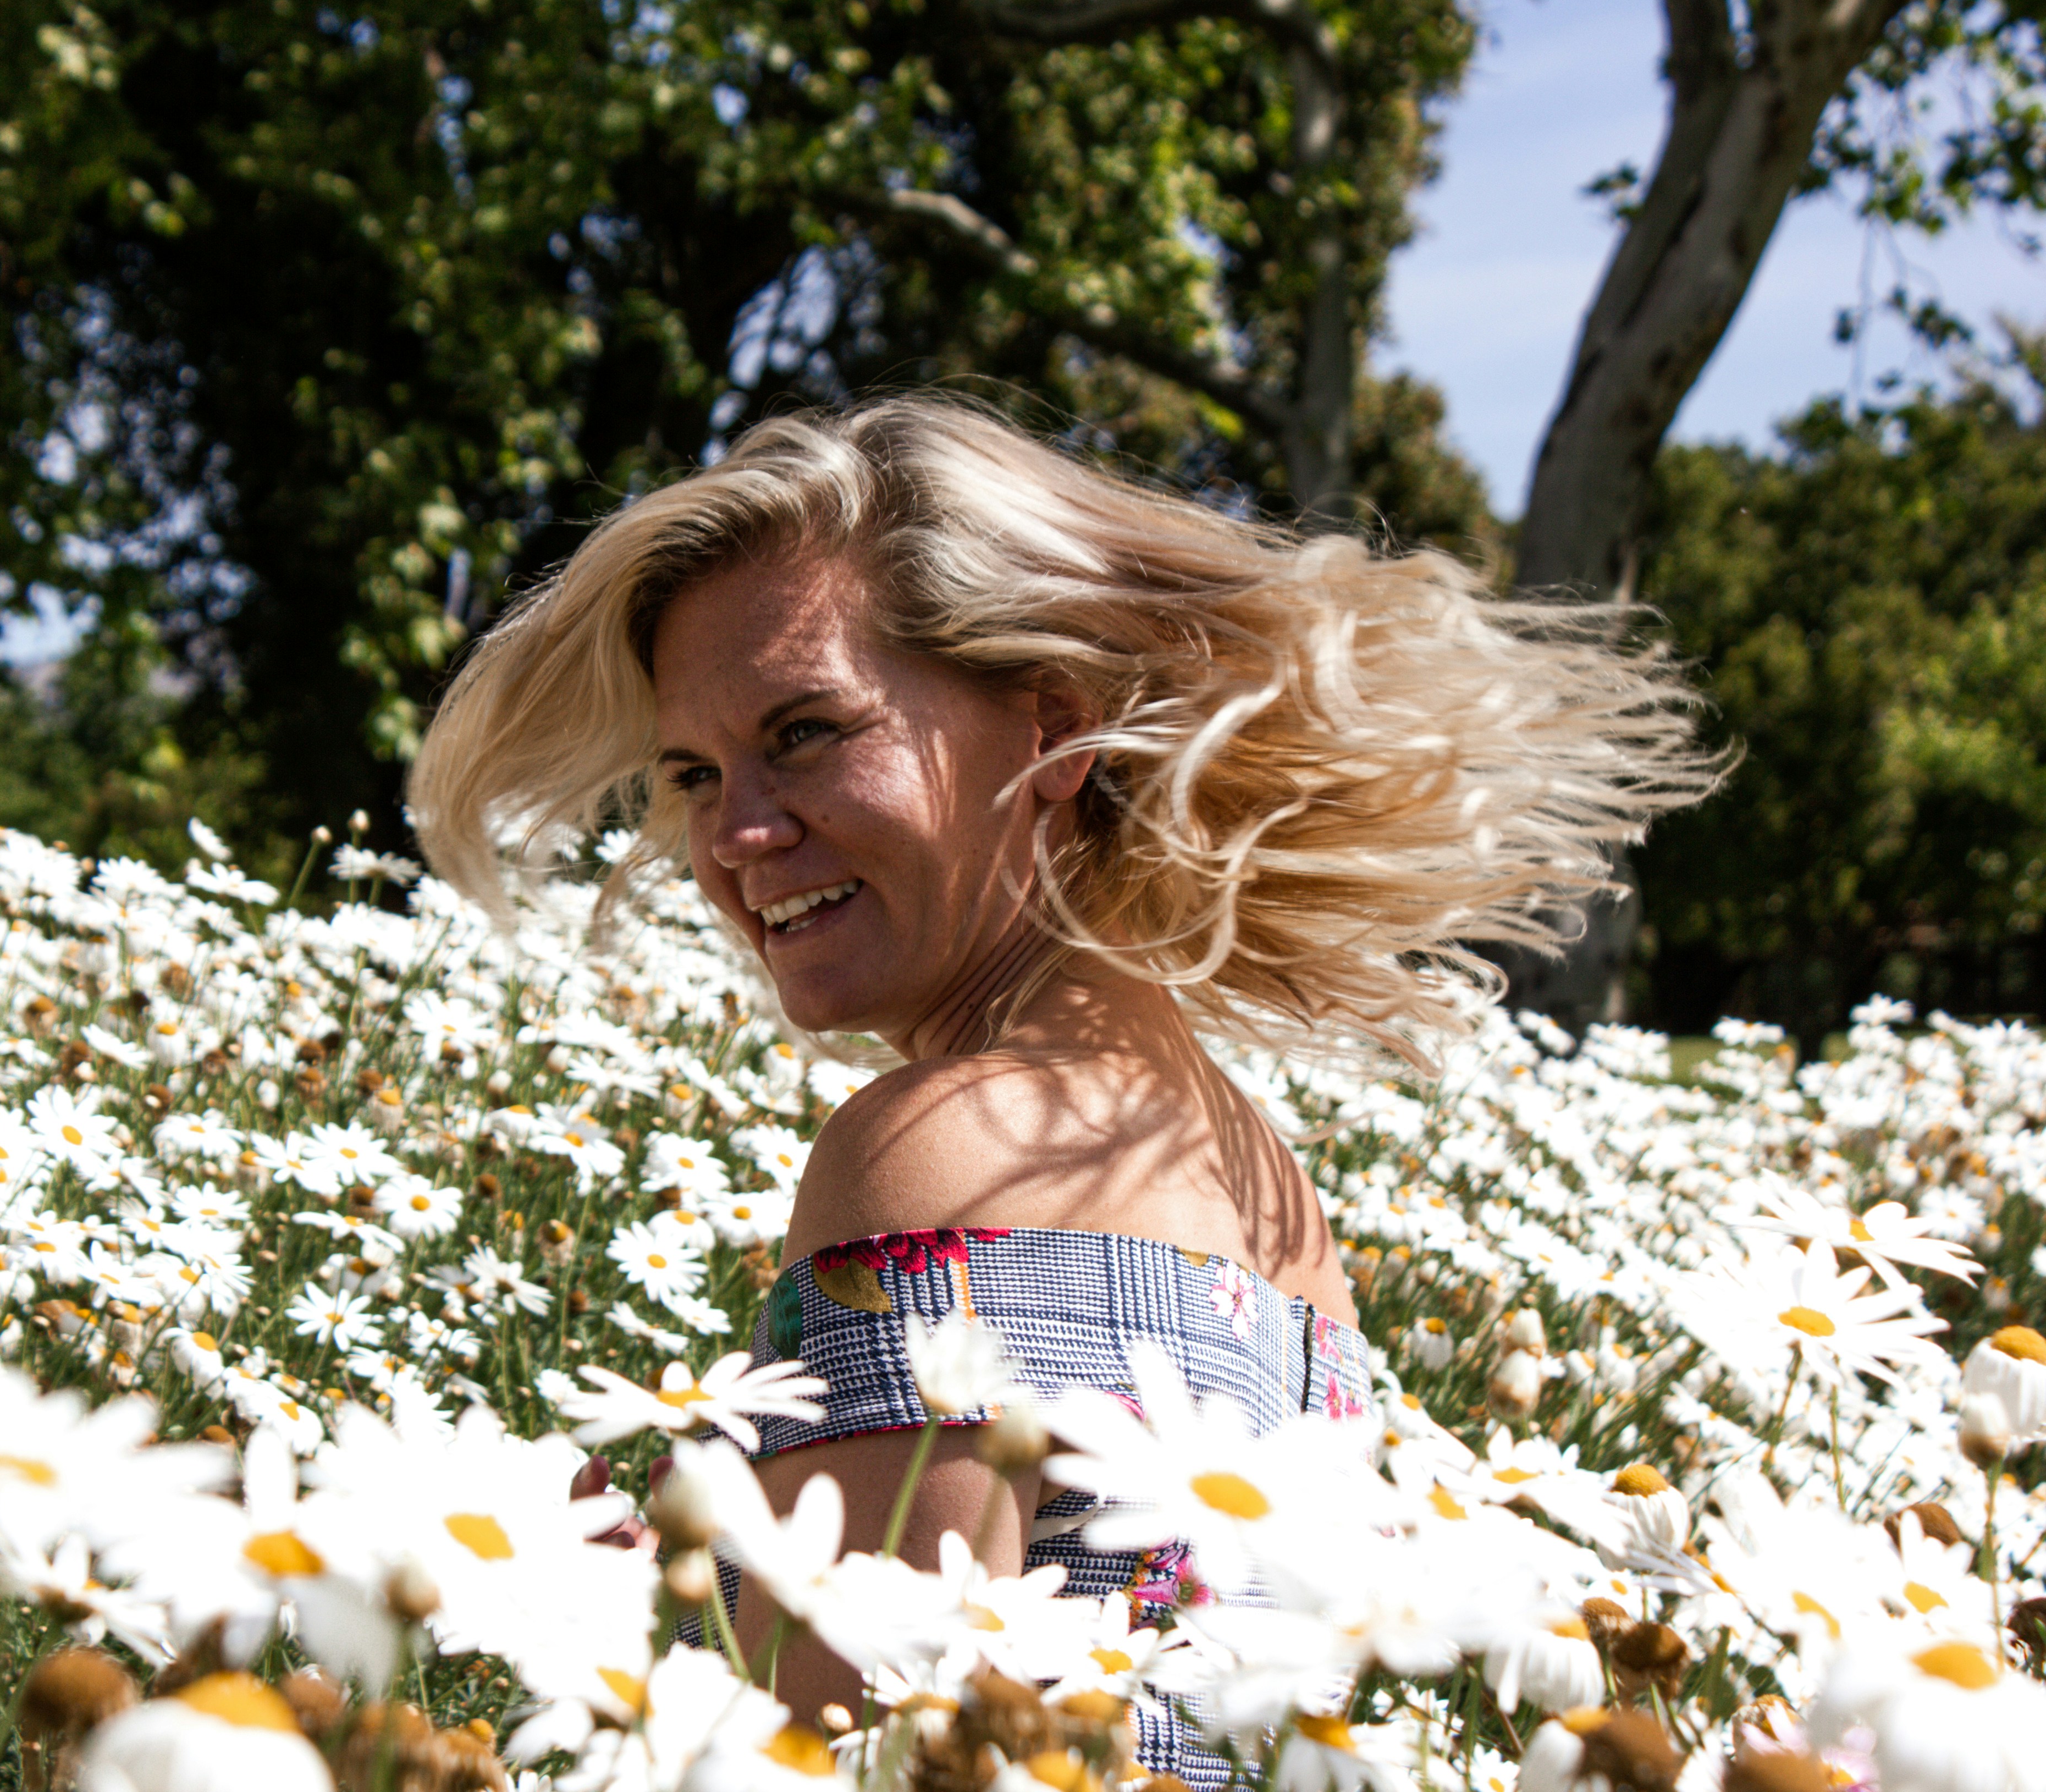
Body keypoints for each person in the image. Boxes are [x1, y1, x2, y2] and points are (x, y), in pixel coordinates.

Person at [409, 397, 1711, 1778]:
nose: (733, 837)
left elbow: (857, 1760)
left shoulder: (928, 1154)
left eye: (804, 732)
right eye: (693, 772)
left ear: (1057, 737)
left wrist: (584, 1625)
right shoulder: (1269, 1201)